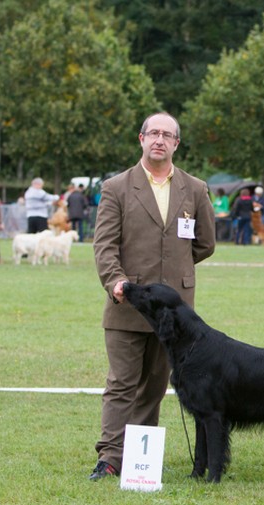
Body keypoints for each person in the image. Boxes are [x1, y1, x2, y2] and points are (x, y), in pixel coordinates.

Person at [90, 111, 215, 481]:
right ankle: (110, 456)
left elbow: (205, 243)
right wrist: (118, 281)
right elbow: (104, 245)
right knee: (122, 383)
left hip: (176, 315)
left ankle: (138, 459)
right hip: (127, 304)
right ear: (141, 139)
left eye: (167, 135)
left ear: (176, 143)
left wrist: (174, 272)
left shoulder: (195, 188)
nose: (159, 139)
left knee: (156, 386)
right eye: (153, 133)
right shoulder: (116, 187)